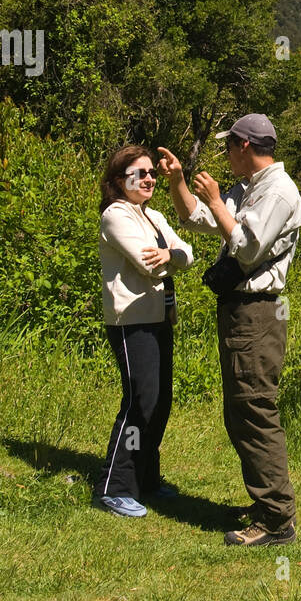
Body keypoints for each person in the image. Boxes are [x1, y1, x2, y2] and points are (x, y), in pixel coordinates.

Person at [157, 114, 301, 546]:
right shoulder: (253, 188)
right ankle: (266, 504)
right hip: (242, 312)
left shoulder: (278, 191)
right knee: (240, 412)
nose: (225, 154)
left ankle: (277, 521)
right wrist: (179, 183)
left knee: (254, 410)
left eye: (228, 146)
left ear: (244, 146)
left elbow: (248, 246)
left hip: (258, 313)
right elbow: (199, 219)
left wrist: (219, 201)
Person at [94, 145, 194, 518]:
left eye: (153, 172)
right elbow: (148, 264)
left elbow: (187, 253)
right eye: (141, 173)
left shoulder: (153, 217)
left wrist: (172, 254)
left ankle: (146, 478)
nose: (150, 178)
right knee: (141, 401)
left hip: (159, 318)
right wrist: (172, 256)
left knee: (160, 400)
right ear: (121, 180)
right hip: (131, 321)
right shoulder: (115, 216)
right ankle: (115, 486)